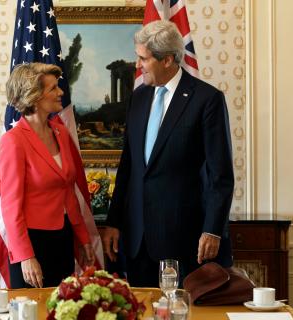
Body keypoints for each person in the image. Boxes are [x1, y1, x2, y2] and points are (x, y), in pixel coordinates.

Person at [102, 20, 234, 287]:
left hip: (185, 240)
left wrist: (212, 230)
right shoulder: (137, 99)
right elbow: (127, 166)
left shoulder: (206, 100)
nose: (138, 65)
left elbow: (221, 175)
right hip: (138, 240)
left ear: (168, 60)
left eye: (143, 58)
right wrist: (113, 222)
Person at [0, 62, 95, 288]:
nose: (61, 92)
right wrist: (25, 256)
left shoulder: (60, 132)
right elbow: (10, 206)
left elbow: (68, 191)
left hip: (62, 240)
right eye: (53, 88)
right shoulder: (13, 141)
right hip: (32, 243)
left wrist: (82, 237)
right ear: (34, 96)